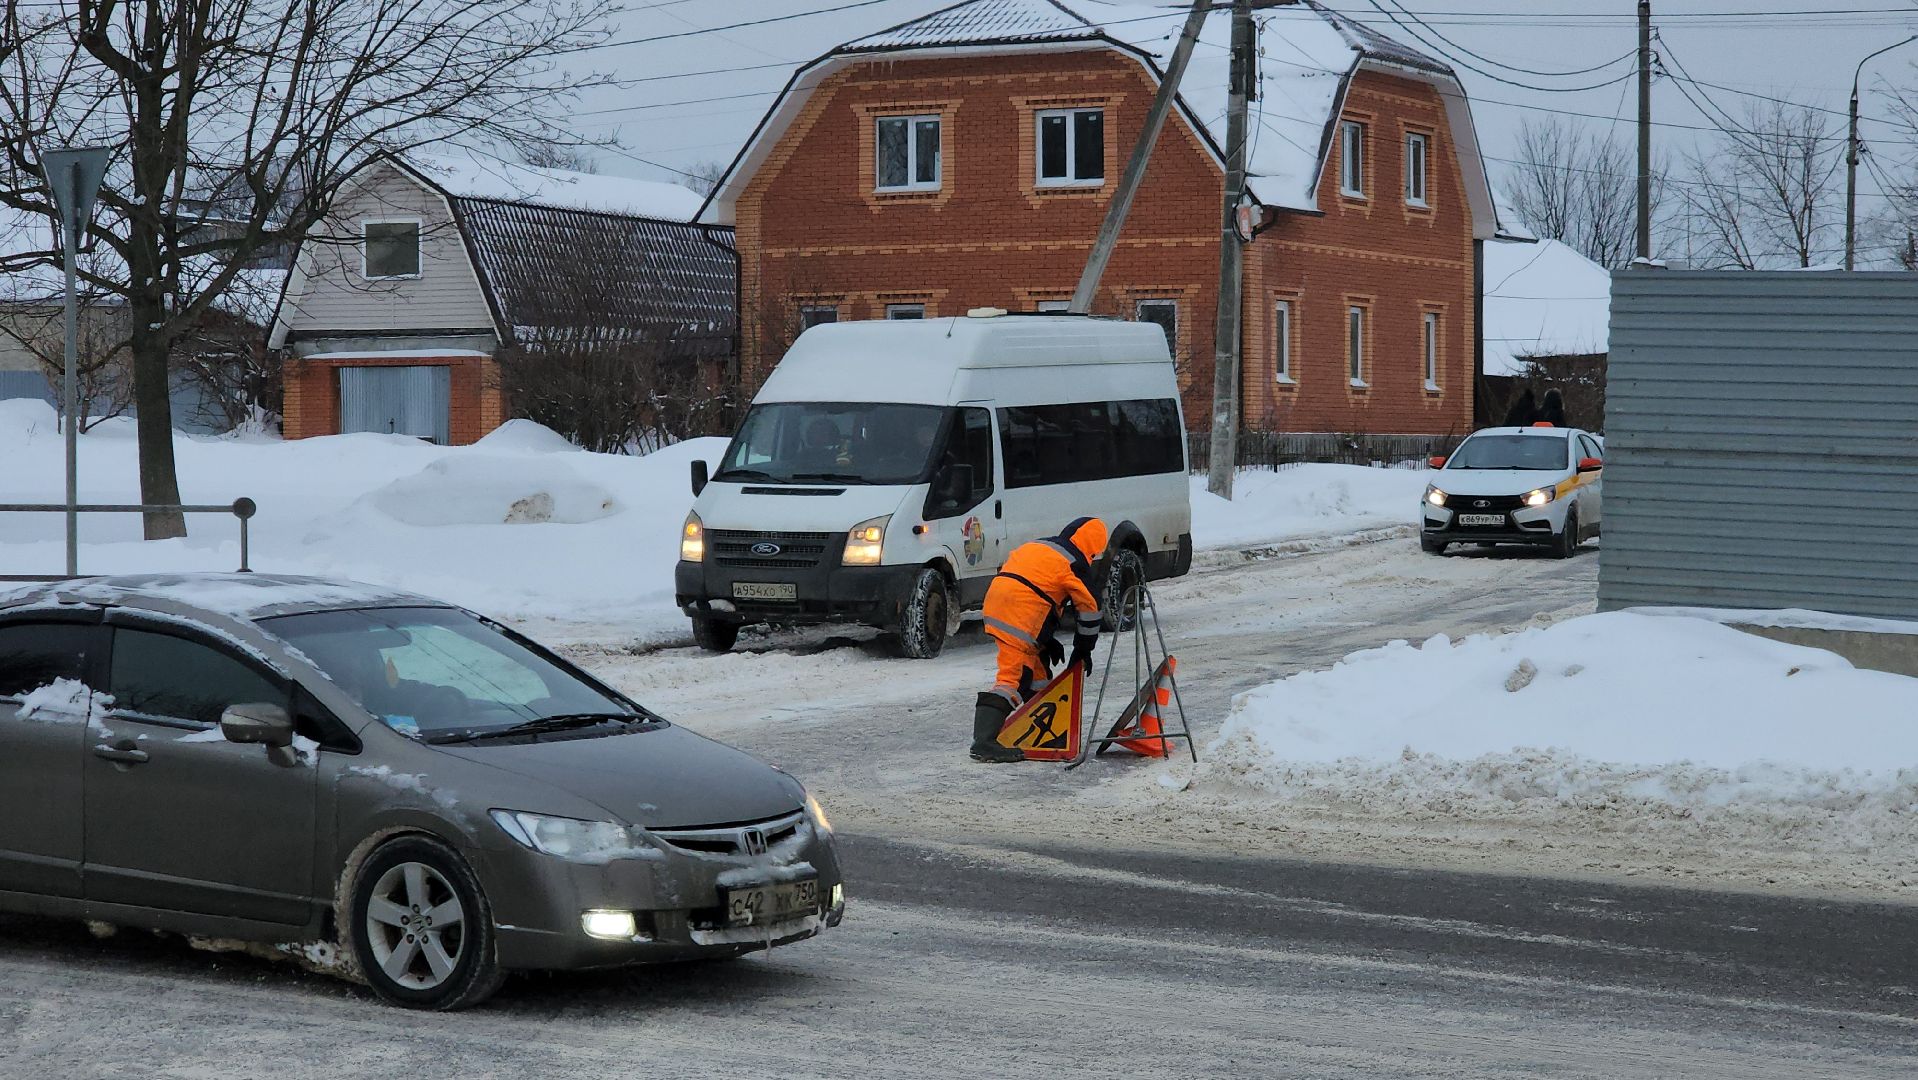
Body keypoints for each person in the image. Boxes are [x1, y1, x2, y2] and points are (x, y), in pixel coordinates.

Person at [969, 516, 1109, 763]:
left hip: (997, 602)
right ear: (1093, 547)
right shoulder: (1075, 563)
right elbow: (1090, 609)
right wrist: (1083, 650)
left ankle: (1039, 729)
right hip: (1019, 615)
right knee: (1013, 678)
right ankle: (984, 743)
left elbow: (1036, 585)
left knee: (1038, 674)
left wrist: (1044, 639)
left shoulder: (1042, 546)